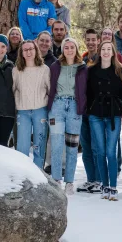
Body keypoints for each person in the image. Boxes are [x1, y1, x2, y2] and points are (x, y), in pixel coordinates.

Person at [87, 41, 122, 201]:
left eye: (109, 49)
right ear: (99, 52)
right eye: (103, 49)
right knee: (101, 151)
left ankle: (113, 186)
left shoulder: (120, 70)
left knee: (111, 151)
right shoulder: (91, 71)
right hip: (96, 114)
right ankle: (104, 185)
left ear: (113, 52)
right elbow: (87, 93)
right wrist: (88, 109)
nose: (106, 52)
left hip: (113, 114)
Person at [46, 38, 87, 195]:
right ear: (63, 50)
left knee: (72, 147)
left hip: (74, 108)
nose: (69, 50)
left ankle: (69, 182)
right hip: (57, 107)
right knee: (56, 145)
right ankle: (56, 179)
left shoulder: (82, 68)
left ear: (76, 49)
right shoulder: (55, 66)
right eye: (66, 47)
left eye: (72, 47)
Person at [13, 40, 50, 167]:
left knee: (39, 144)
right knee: (22, 145)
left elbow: (50, 90)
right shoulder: (16, 70)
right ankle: (23, 173)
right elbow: (13, 90)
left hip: (40, 110)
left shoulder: (44, 69)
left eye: (31, 49)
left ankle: (38, 172)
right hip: (23, 111)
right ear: (21, 53)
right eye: (25, 50)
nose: (28, 52)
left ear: (36, 51)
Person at [77, 29, 102, 193]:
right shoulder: (82, 60)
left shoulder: (103, 59)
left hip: (97, 110)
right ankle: (90, 179)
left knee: (96, 147)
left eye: (94, 39)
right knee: (86, 147)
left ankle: (99, 179)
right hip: (83, 109)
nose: (91, 42)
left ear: (98, 40)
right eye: (88, 39)